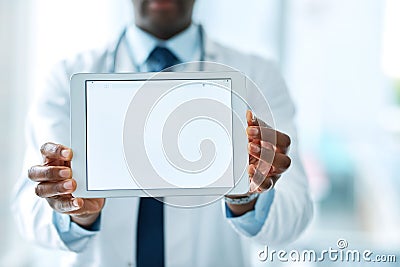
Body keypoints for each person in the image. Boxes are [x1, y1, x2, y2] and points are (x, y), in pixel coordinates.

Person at [12, 0, 313, 266]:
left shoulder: (259, 75)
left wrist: (246, 199)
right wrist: (78, 214)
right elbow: (29, 212)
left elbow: (294, 216)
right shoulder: (67, 78)